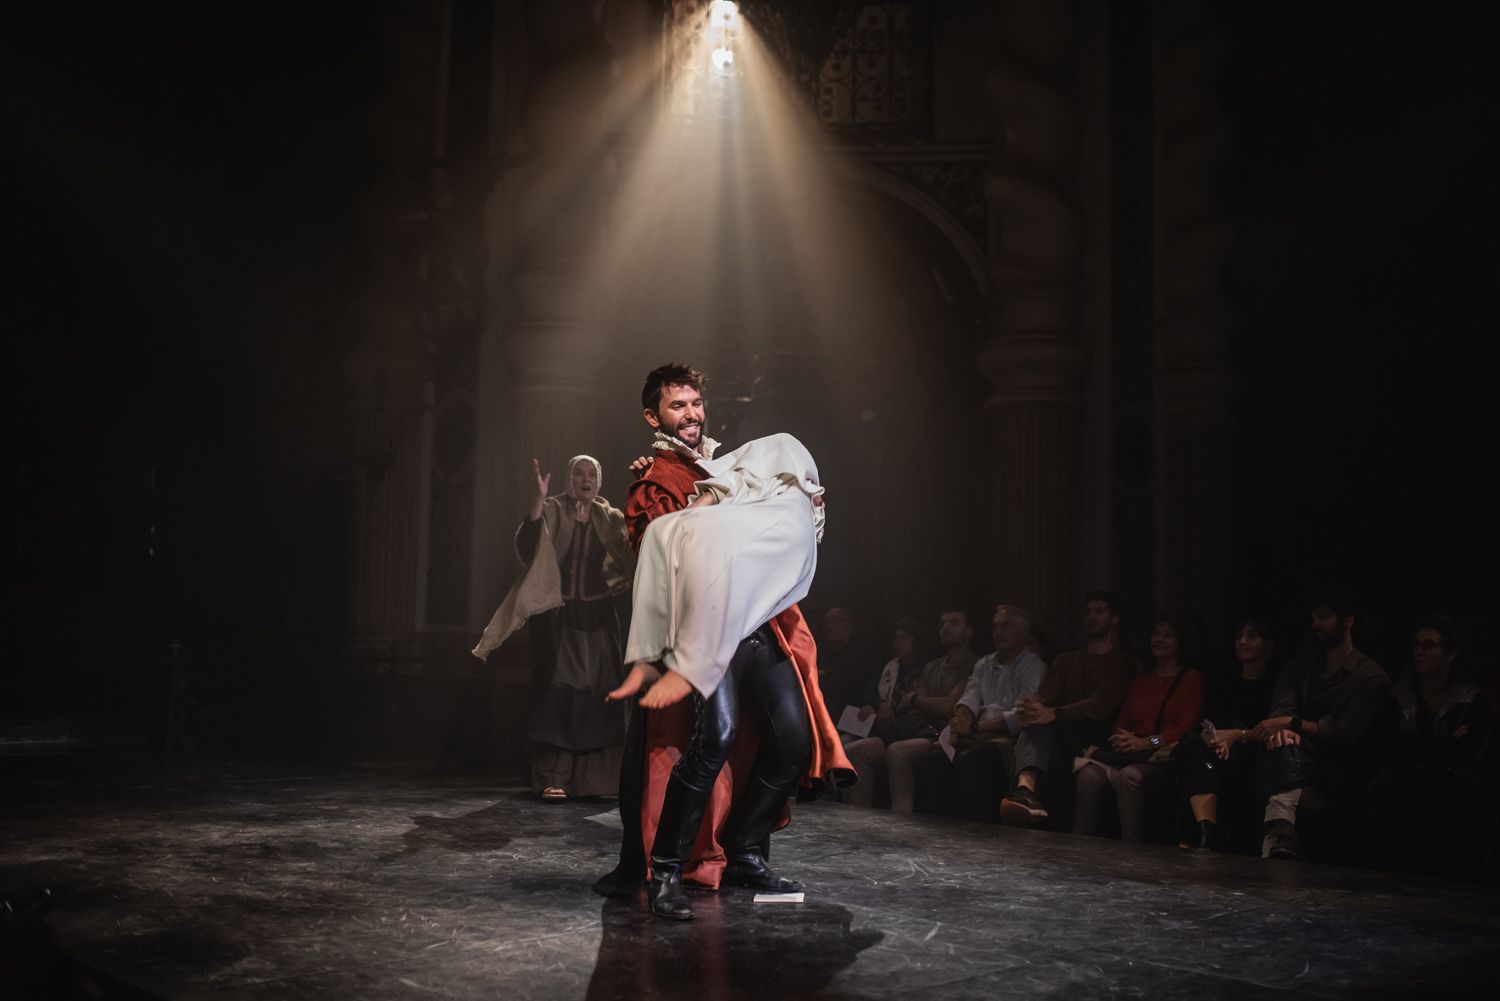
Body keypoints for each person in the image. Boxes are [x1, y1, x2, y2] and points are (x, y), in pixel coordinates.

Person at [595, 363, 851, 920]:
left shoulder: (728, 464)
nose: (691, 414)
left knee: (793, 739)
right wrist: (712, 505)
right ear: (653, 416)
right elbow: (661, 555)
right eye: (677, 406)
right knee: (716, 738)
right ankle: (666, 869)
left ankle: (745, 850)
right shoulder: (655, 482)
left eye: (695, 404)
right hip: (709, 634)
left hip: (760, 626)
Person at [471, 454, 634, 801]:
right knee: (559, 694)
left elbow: (631, 555)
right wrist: (539, 499)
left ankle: (597, 781)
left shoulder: (611, 518)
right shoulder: (554, 510)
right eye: (579, 474)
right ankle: (553, 776)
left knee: (601, 695)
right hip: (560, 617)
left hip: (600, 620)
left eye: (592, 474)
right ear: (568, 479)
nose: (586, 479)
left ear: (600, 482)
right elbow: (530, 544)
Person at [1253, 586, 1390, 861]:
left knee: (1288, 748)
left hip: (1338, 765)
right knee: (1282, 745)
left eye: (1324, 617)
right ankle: (1279, 836)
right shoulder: (1303, 664)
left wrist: (1295, 725)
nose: (1316, 625)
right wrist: (1285, 729)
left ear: (1347, 620)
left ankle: (1280, 830)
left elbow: (1345, 732)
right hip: (1296, 754)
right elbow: (1282, 706)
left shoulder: (1369, 676)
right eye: (1314, 617)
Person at [1368, 615, 1492, 878]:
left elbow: (1467, 750)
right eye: (1416, 645)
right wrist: (1443, 743)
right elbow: (1391, 745)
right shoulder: (1401, 696)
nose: (1420, 652)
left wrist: (1424, 746)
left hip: (1452, 783)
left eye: (1429, 645)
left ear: (1449, 653)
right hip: (1407, 779)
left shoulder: (1468, 699)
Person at [1001, 591, 1136, 828]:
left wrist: (1053, 713)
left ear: (1114, 620)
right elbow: (1044, 697)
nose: (1092, 616)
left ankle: (1025, 794)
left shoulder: (1120, 662)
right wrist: (1030, 707)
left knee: (1041, 725)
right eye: (1088, 612)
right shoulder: (1066, 660)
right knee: (1035, 725)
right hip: (1063, 737)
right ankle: (1025, 792)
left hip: (1098, 740)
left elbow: (1098, 706)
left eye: (1099, 611)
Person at [1072, 614, 1204, 842]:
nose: (1159, 640)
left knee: (1129, 777)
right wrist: (1121, 739)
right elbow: (1120, 723)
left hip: (1161, 757)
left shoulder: (1191, 678)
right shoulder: (1141, 681)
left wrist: (1146, 742)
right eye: (1156, 634)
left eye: (1167, 635)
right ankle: (1081, 846)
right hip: (1130, 752)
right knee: (1088, 776)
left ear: (1180, 642)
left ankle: (1131, 848)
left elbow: (1185, 728)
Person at [913, 605, 1046, 821]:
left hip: (1006, 737)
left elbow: (1022, 716)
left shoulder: (1033, 665)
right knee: (935, 759)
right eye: (996, 627)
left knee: (973, 760)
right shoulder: (984, 663)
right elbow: (970, 698)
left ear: (1023, 634)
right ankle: (938, 830)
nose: (999, 632)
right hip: (977, 732)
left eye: (1006, 626)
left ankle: (982, 832)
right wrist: (960, 719)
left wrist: (974, 727)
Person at [877, 610, 978, 813]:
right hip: (920, 728)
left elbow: (950, 706)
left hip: (946, 732)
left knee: (897, 752)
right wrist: (921, 701)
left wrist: (920, 700)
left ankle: (901, 820)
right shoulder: (932, 666)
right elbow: (919, 702)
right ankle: (856, 821)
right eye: (942, 623)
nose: (946, 628)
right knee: (859, 749)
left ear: (968, 631)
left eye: (954, 623)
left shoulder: (975, 665)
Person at [839, 617, 924, 808]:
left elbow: (918, 701)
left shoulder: (925, 668)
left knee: (896, 753)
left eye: (905, 638)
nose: (899, 643)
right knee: (853, 749)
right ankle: (855, 813)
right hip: (888, 730)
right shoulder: (889, 667)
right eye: (896, 638)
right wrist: (878, 704)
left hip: (913, 729)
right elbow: (873, 693)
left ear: (915, 641)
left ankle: (901, 817)